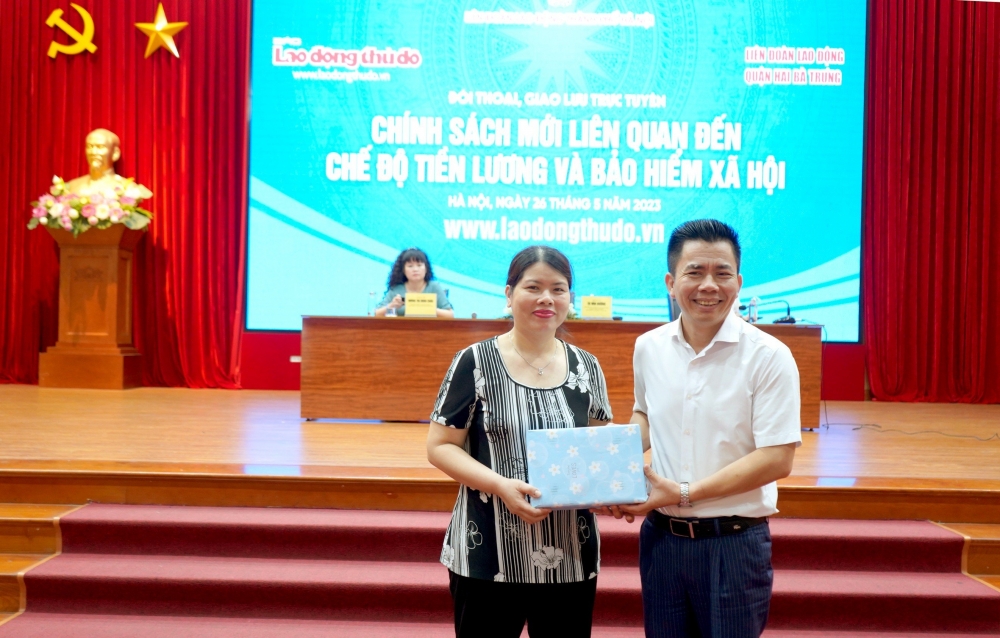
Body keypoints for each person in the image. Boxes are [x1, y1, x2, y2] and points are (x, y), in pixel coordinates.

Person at [615, 219, 801, 638]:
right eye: (695, 272)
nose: (709, 286)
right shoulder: (649, 347)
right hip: (662, 540)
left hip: (732, 545)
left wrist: (683, 493)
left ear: (739, 282)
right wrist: (608, 467)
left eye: (722, 273)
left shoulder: (769, 356)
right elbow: (646, 415)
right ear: (671, 282)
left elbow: (777, 458)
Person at [426, 245, 613, 638]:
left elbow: (598, 447)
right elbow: (440, 446)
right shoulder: (474, 361)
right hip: (487, 552)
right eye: (533, 287)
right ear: (509, 294)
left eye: (558, 289)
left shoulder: (587, 366)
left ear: (570, 298)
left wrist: (606, 487)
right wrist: (500, 486)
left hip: (569, 553)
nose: (547, 298)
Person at [374, 247, 454, 317]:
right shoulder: (397, 289)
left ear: (426, 268)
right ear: (403, 270)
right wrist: (392, 306)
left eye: (419, 265)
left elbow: (450, 314)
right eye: (410, 266)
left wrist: (430, 309)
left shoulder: (434, 287)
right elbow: (377, 314)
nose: (415, 269)